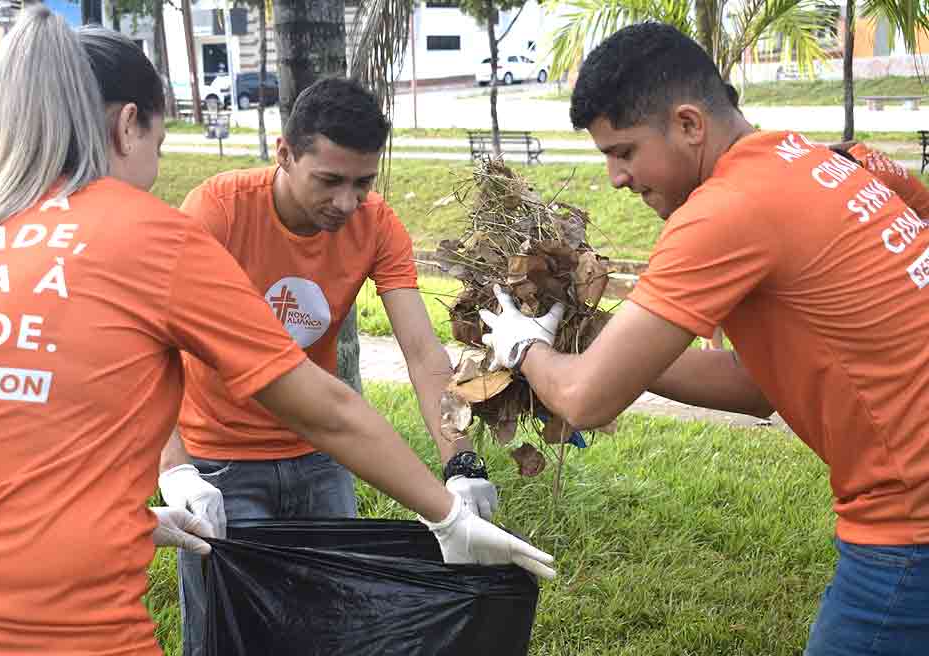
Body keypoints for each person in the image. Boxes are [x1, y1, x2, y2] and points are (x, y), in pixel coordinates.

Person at [0, 8, 553, 655]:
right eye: (156, 138)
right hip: (56, 622)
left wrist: (139, 518)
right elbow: (325, 407)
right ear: (130, 124)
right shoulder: (150, 232)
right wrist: (446, 517)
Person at [478, 23, 929, 656]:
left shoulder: (725, 210)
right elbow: (755, 388)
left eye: (625, 151)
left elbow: (583, 401)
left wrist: (524, 347)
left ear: (690, 124)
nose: (615, 177)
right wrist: (604, 344)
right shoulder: (809, 160)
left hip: (910, 520)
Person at [158, 76, 500, 655]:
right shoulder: (218, 211)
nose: (347, 202)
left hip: (322, 459)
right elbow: (155, 344)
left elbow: (422, 352)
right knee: (225, 633)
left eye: (363, 182)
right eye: (330, 180)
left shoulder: (376, 223)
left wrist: (460, 462)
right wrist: (175, 467)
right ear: (284, 154)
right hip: (218, 464)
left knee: (332, 627)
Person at [829, 140, 929, 219]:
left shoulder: (875, 183)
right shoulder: (861, 154)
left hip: (922, 217)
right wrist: (824, 149)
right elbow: (854, 143)